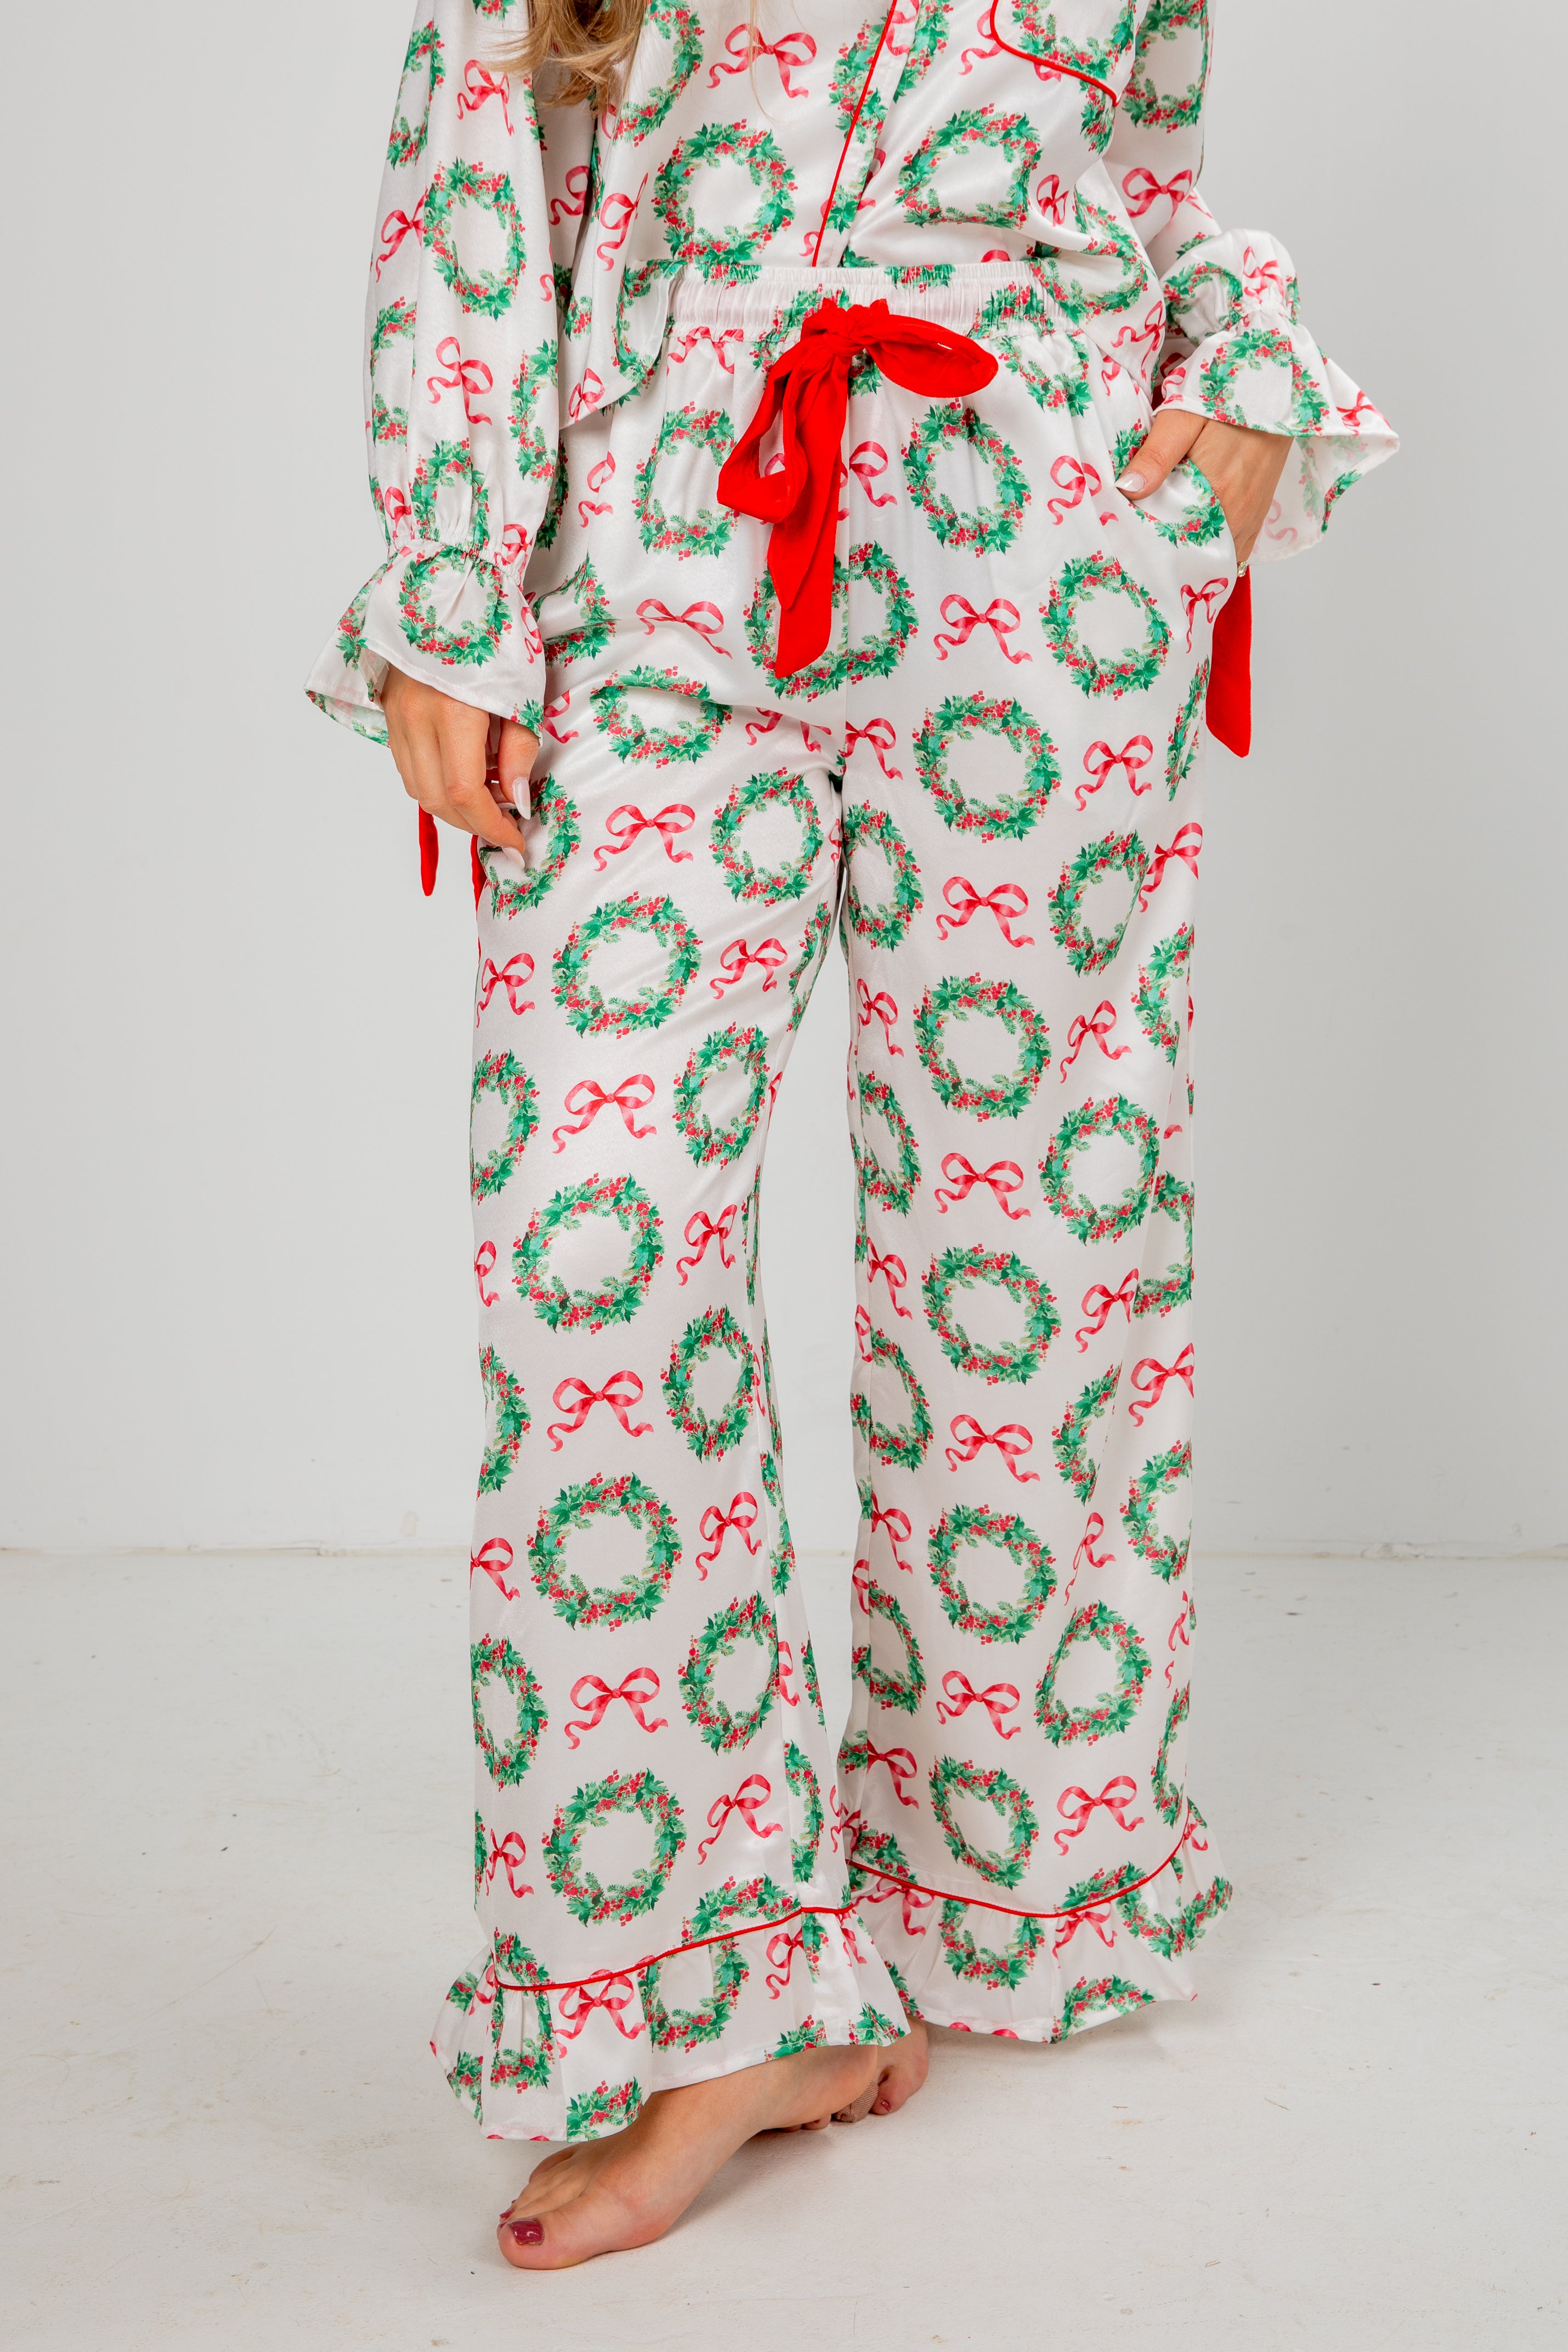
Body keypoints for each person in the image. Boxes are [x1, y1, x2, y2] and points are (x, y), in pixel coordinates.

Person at [307, 0, 1395, 2270]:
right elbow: (478, 177)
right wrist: (449, 580)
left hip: (1040, 572)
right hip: (661, 572)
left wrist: (1226, 385)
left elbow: (1147, 170)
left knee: (1030, 1249)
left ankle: (1000, 1874)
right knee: (590, 1244)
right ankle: (709, 1990)